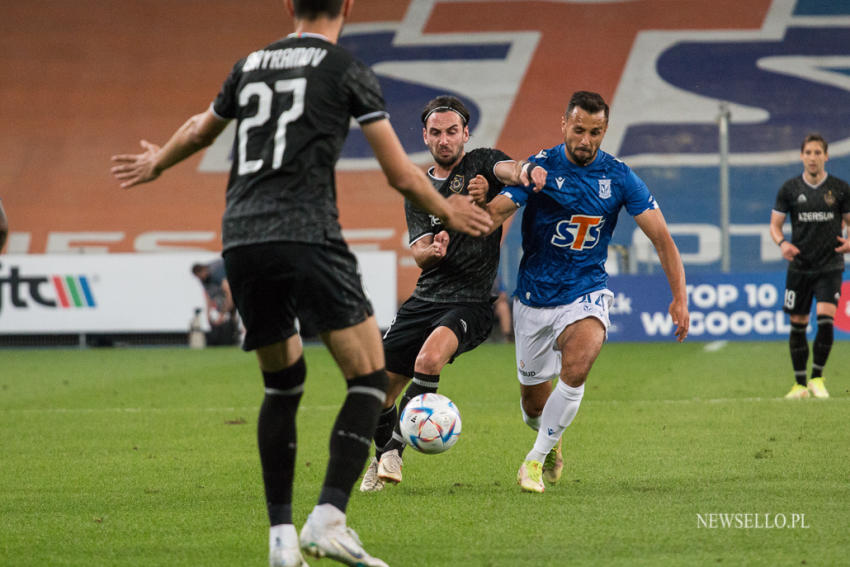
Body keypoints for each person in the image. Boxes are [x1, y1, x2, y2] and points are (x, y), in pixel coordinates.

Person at [110, 1, 492, 565]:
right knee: (369, 376)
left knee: (282, 386)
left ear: (289, 4)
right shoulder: (345, 69)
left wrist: (158, 163)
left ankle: (281, 541)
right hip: (308, 233)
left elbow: (199, 129)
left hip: (242, 240)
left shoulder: (251, 64)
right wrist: (448, 211)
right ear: (349, 5)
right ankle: (329, 520)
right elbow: (399, 172)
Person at [482, 91, 689, 493]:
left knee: (578, 364)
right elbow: (496, 215)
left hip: (586, 290)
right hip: (534, 297)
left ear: (604, 130)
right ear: (564, 125)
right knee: (533, 408)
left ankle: (534, 462)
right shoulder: (540, 167)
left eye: (595, 132)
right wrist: (481, 210)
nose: (586, 140)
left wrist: (679, 297)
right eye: (579, 130)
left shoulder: (619, 177)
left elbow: (663, 238)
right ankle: (552, 440)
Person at [358, 95, 546, 492]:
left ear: (465, 133)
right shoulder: (418, 188)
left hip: (471, 302)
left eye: (452, 132)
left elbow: (511, 170)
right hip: (425, 299)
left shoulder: (481, 165)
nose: (445, 140)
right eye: (436, 133)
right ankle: (381, 457)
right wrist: (432, 251)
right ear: (425, 136)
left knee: (428, 361)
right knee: (379, 393)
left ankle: (392, 450)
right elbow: (419, 252)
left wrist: (526, 169)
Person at [770, 133, 850, 400]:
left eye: (818, 153)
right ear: (802, 156)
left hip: (830, 265)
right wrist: (782, 244)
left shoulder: (839, 189)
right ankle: (800, 385)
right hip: (800, 267)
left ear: (826, 156)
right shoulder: (790, 189)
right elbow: (775, 225)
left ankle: (817, 378)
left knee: (826, 319)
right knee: (798, 323)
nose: (813, 158)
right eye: (808, 153)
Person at [192, 259, 241, 346]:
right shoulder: (204, 278)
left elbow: (230, 293)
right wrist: (208, 314)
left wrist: (222, 314)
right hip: (226, 293)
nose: (200, 279)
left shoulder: (216, 272)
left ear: (203, 271)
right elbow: (208, 296)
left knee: (235, 313)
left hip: (237, 284)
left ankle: (239, 337)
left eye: (200, 276)